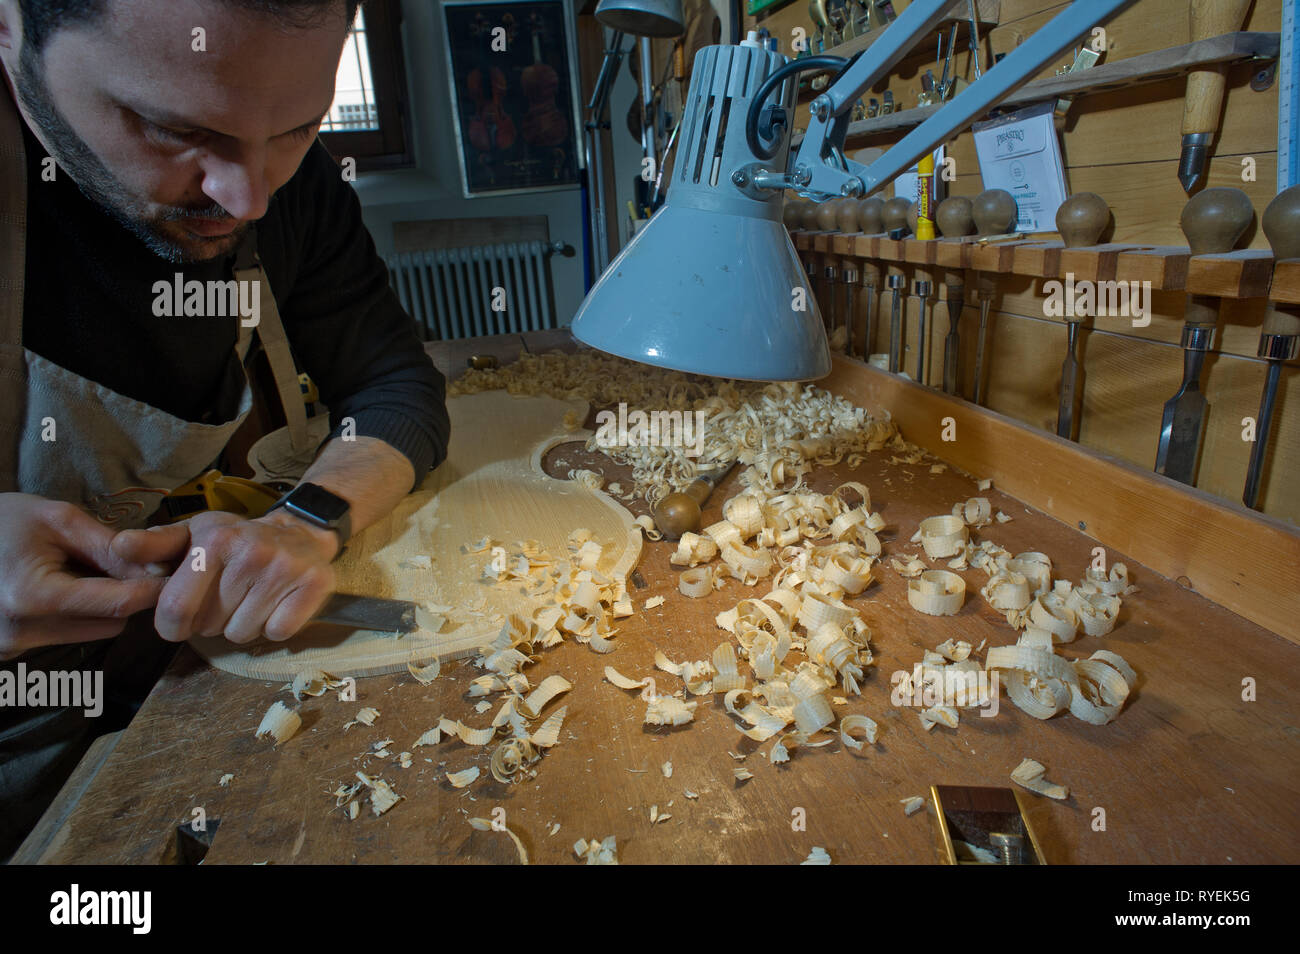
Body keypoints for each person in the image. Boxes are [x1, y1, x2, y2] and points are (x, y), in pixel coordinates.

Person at [0, 0, 450, 858]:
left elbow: (394, 382)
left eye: (295, 128)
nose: (246, 196)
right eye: (173, 130)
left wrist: (308, 520)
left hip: (164, 685)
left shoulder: (284, 186)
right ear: (11, 28)